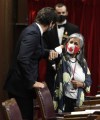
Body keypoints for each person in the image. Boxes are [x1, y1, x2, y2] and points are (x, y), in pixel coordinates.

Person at [4, 7, 58, 120]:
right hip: (21, 86)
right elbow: (23, 58)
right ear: (51, 23)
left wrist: (49, 52)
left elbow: (36, 51)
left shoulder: (34, 30)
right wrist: (32, 82)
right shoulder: (33, 33)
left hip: (21, 85)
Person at [43, 3, 80, 97]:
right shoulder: (48, 29)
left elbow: (78, 49)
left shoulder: (74, 28)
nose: (61, 15)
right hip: (51, 70)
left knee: (68, 98)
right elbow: (44, 48)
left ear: (67, 13)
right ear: (55, 13)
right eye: (58, 13)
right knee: (51, 98)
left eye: (63, 12)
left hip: (69, 70)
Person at [53, 33, 92, 113]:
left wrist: (81, 84)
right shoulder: (61, 59)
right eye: (70, 42)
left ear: (80, 48)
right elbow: (54, 53)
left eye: (76, 43)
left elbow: (89, 81)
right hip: (64, 100)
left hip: (78, 99)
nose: (72, 45)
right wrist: (62, 46)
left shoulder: (83, 62)